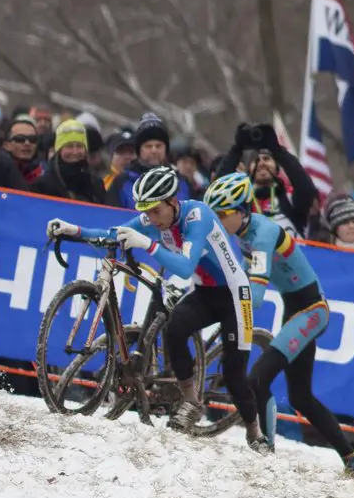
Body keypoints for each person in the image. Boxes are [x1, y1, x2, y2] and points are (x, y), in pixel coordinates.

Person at [46, 167, 263, 447]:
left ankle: (255, 433)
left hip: (235, 295)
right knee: (174, 329)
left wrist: (147, 244)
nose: (150, 218)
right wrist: (73, 230)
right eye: (145, 212)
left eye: (155, 211)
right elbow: (115, 233)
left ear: (173, 202)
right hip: (206, 292)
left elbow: (185, 268)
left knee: (234, 376)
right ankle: (190, 402)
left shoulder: (197, 217)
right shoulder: (158, 218)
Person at [204, 172, 354, 479]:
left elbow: (254, 296)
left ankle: (265, 450)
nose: (216, 221)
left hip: (311, 311)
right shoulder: (243, 234)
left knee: (257, 379)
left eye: (220, 215)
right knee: (300, 397)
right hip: (297, 310)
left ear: (241, 211)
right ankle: (353, 461)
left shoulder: (263, 234)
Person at [213, 123, 318, 237]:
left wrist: (277, 150)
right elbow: (217, 192)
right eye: (256, 160)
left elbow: (306, 189)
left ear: (277, 168)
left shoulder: (290, 199)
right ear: (249, 170)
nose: (262, 163)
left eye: (266, 159)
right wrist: (236, 149)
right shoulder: (241, 203)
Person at [31, 120, 105, 204]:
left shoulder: (95, 183)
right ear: (59, 150)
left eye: (79, 146)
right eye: (69, 146)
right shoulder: (43, 184)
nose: (75, 152)